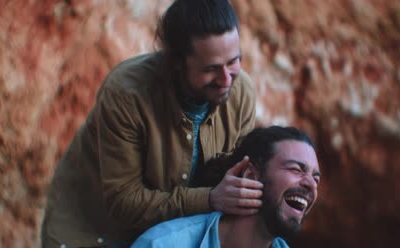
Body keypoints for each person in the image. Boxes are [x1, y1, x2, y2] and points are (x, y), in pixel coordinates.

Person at [41, 0, 264, 247]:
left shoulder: (241, 91)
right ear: (177, 63)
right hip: (92, 232)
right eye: (211, 68)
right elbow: (123, 203)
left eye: (234, 61)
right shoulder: (127, 94)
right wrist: (210, 199)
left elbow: (236, 180)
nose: (226, 79)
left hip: (170, 237)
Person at [131, 126, 322, 248]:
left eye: (316, 178)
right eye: (297, 169)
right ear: (250, 176)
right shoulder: (162, 244)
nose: (310, 184)